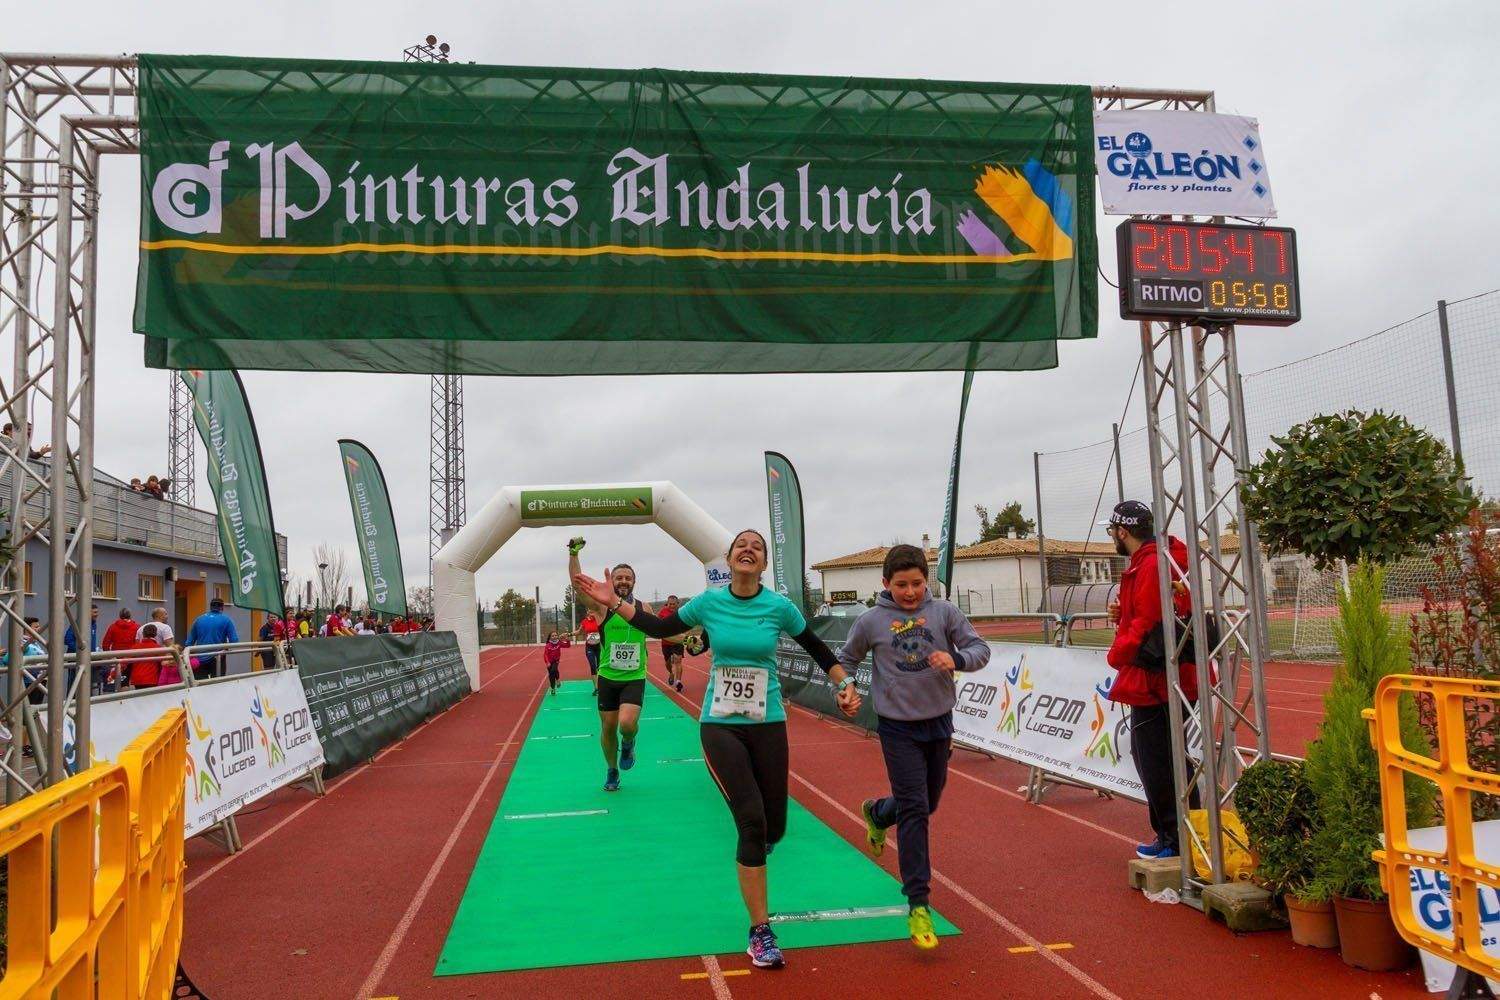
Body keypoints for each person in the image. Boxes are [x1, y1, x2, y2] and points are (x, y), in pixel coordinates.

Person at [575, 529, 861, 970]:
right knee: (750, 820)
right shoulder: (709, 602)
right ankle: (760, 931)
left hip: (768, 724)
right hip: (720, 725)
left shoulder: (779, 607)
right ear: (728, 559)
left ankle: (758, 850)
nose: (748, 550)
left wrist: (844, 683)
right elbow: (659, 627)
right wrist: (613, 600)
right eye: (741, 546)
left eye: (757, 547)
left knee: (773, 827)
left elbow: (817, 647)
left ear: (763, 563)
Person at [839, 544, 991, 951]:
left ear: (928, 581)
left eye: (917, 584)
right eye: (902, 584)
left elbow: (981, 651)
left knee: (927, 801)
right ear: (885, 583)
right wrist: (846, 688)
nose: (910, 592)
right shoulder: (872, 621)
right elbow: (847, 660)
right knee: (917, 810)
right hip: (897, 728)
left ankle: (877, 812)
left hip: (939, 722)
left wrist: (955, 659)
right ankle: (918, 903)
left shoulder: (944, 613)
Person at [1101, 500, 1202, 861]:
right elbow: (1148, 615)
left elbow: (1147, 622)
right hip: (1165, 675)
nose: (1113, 536)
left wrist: (1117, 654)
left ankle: (1177, 837)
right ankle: (1180, 833)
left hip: (1157, 679)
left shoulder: (1151, 564)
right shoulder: (1156, 560)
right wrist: (1121, 615)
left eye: (1113, 530)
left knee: (1157, 760)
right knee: (1161, 757)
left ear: (1122, 531)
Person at [568, 537, 653, 792]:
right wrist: (573, 555)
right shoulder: (602, 607)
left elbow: (662, 630)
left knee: (627, 724)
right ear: (612, 582)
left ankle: (628, 742)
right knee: (608, 726)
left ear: (634, 582)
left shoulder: (643, 607)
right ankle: (612, 769)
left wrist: (687, 638)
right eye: (619, 578)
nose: (624, 581)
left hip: (634, 676)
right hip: (608, 676)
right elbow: (578, 585)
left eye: (628, 578)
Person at [186, 597, 239, 678]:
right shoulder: (226, 620)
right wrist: (225, 649)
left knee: (200, 686)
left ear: (210, 607)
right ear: (222, 607)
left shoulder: (199, 619)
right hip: (217, 658)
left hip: (199, 659)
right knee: (217, 686)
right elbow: (234, 641)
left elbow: (189, 642)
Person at [659, 595, 688, 693]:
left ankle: (678, 682)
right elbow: (658, 624)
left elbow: (687, 625)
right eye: (669, 604)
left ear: (677, 603)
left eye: (673, 604)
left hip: (678, 641)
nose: (671, 606)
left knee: (678, 660)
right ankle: (671, 673)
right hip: (666, 642)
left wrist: (684, 635)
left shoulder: (682, 612)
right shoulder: (663, 612)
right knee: (667, 663)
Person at [127, 623, 167, 688]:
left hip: (137, 679)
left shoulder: (135, 647)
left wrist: (112, 675)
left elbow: (124, 661)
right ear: (155, 634)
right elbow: (164, 663)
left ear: (143, 634)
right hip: (153, 679)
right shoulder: (158, 649)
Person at [576, 610, 601, 694]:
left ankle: (602, 686)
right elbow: (579, 632)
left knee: (600, 667)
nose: (592, 613)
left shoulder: (599, 619)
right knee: (592, 666)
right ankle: (596, 688)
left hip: (599, 646)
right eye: (590, 611)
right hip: (589, 647)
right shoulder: (584, 621)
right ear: (587, 612)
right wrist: (568, 634)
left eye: (593, 611)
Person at [542, 630, 569, 695]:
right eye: (553, 636)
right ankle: (553, 688)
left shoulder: (559, 643)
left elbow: (567, 645)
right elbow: (545, 655)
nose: (554, 637)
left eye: (556, 635)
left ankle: (558, 680)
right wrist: (547, 662)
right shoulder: (548, 645)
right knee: (551, 675)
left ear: (557, 636)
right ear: (550, 637)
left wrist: (567, 639)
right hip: (549, 662)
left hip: (556, 660)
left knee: (554, 670)